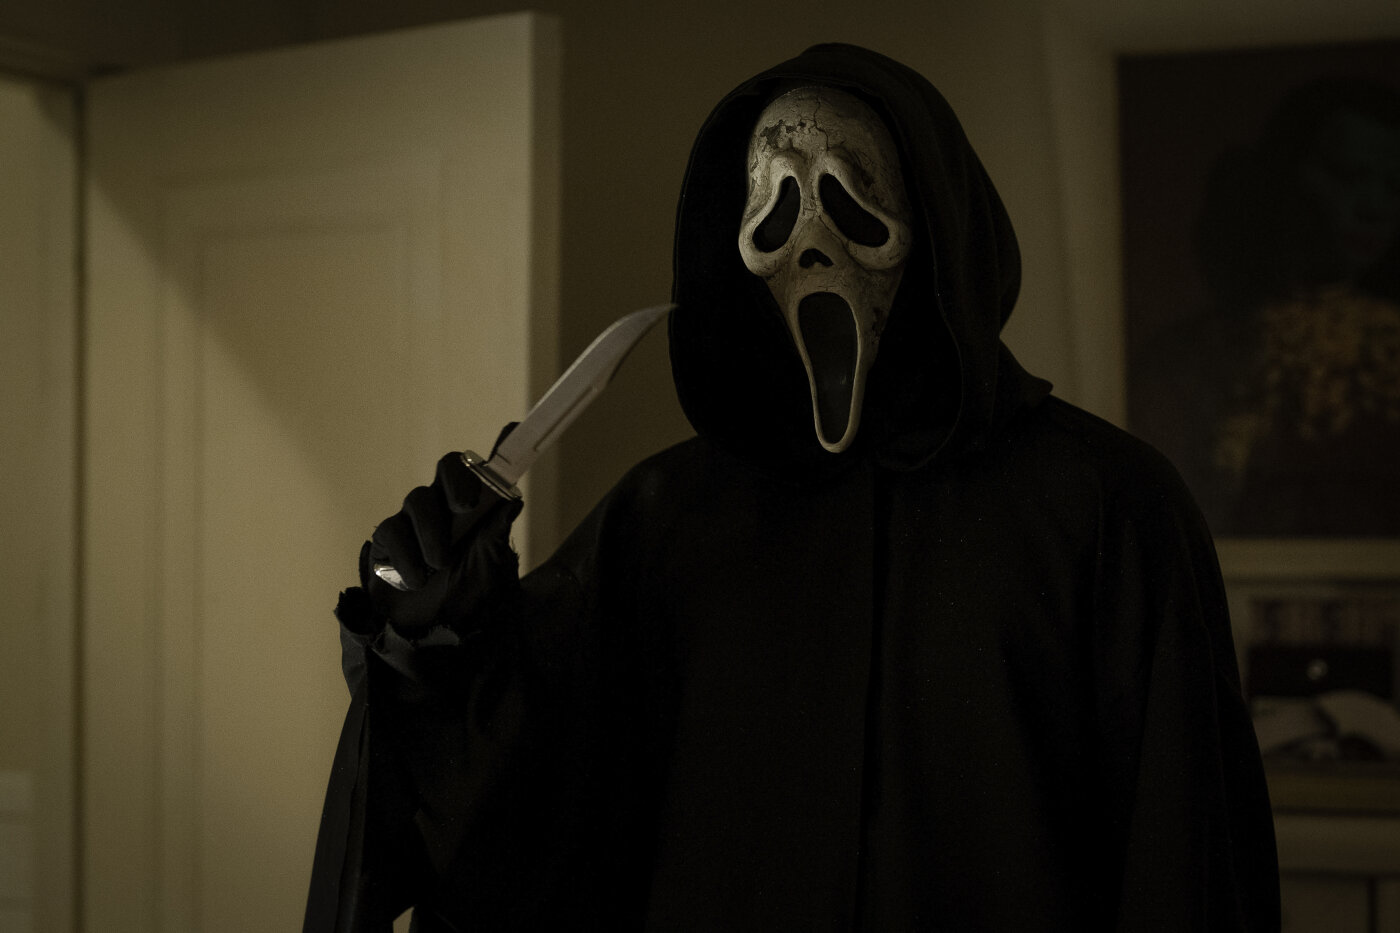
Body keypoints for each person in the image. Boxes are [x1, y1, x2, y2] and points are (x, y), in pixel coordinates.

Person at [306, 44, 1281, 932]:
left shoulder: (1111, 510)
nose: (811, 247)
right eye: (772, 213)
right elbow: (517, 811)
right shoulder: (661, 519)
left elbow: (1188, 862)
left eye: (852, 202)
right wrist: (434, 634)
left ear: (938, 228)